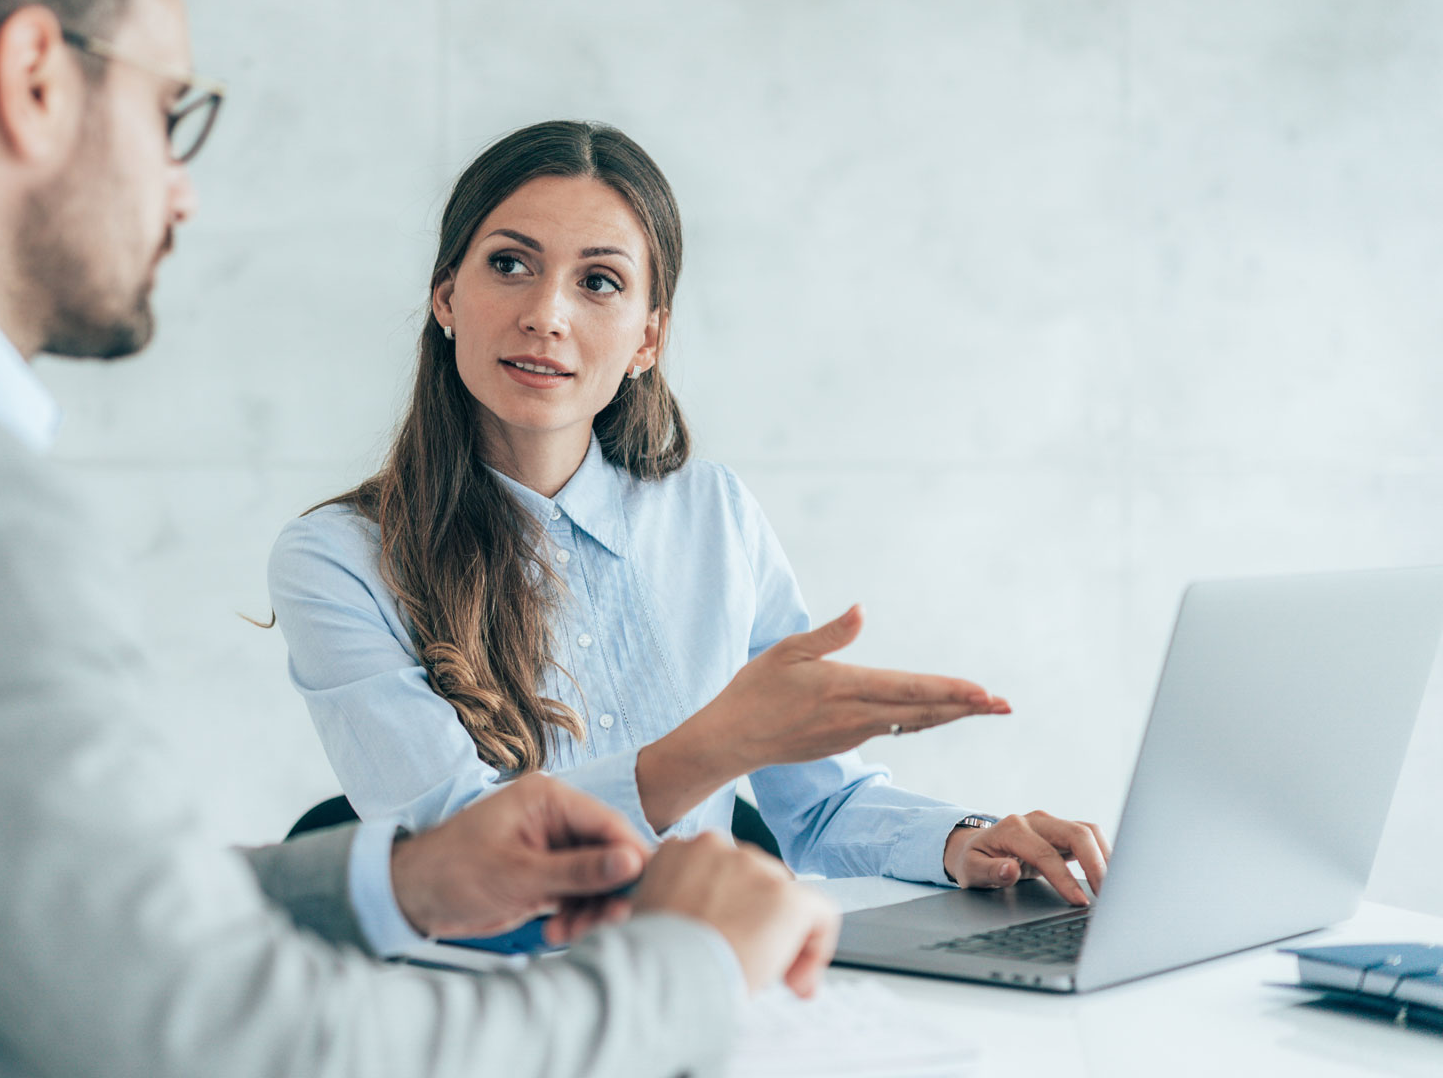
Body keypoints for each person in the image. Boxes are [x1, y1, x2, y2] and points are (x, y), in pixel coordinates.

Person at [0, 0, 842, 1077]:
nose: (183, 188)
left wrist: (399, 876)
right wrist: (683, 969)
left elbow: (42, 901)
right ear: (34, 81)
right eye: (170, 111)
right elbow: (232, 1040)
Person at [270, 120, 1112, 905]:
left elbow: (820, 809)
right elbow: (457, 847)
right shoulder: (337, 560)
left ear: (647, 339)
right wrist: (716, 746)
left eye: (599, 282)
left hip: (711, 980)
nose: (546, 315)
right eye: (510, 265)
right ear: (446, 298)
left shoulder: (716, 516)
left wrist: (967, 841)